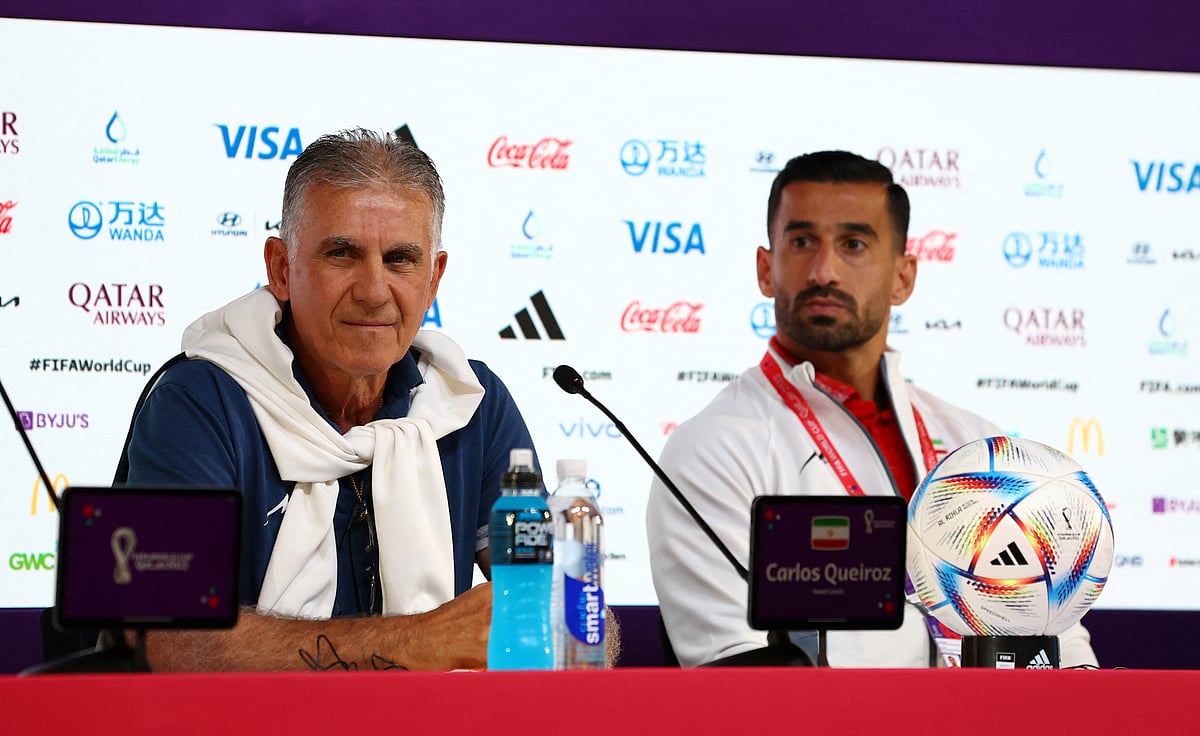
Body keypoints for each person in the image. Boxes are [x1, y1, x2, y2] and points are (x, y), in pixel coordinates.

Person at [645, 150, 1099, 668]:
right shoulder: (712, 449)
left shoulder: (980, 446)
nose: (824, 271)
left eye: (854, 244)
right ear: (766, 269)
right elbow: (737, 677)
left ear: (903, 277)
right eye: (802, 242)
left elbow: (1060, 644)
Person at [124, 128, 540, 672]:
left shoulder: (469, 403)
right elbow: (173, 642)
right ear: (280, 269)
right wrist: (420, 642)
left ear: (434, 277)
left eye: (400, 260)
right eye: (341, 254)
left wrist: (564, 620)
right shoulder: (198, 402)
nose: (372, 290)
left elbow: (570, 622)